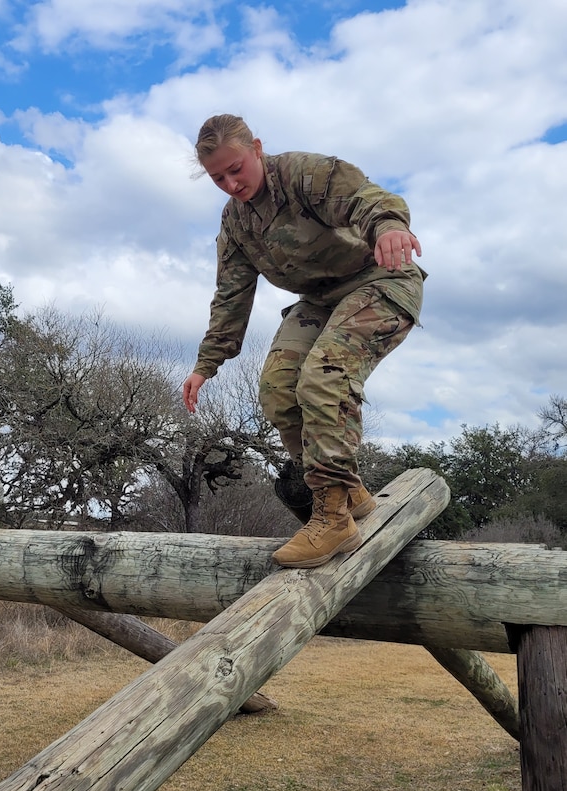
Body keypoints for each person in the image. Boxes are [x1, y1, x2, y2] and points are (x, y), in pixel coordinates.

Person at [182, 114, 425, 569]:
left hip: (380, 280)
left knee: (323, 377)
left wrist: (390, 226)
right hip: (319, 300)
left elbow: (369, 199)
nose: (231, 183)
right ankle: (349, 494)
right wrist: (205, 364)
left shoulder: (303, 174)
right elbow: (231, 295)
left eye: (236, 169)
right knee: (277, 389)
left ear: (256, 148)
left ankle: (332, 517)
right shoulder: (236, 222)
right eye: (218, 178)